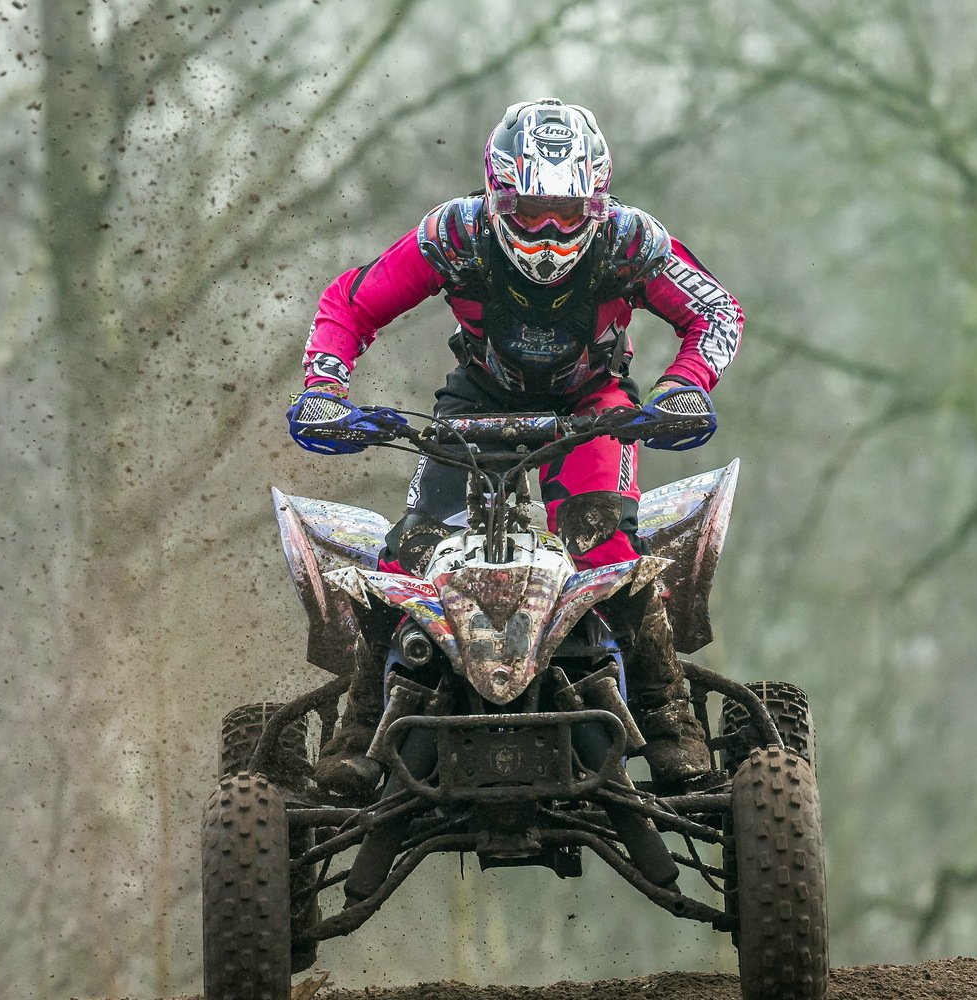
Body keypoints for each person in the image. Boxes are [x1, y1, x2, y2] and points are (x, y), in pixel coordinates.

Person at [289, 98, 744, 798]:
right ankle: (361, 726)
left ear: (596, 202)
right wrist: (324, 386)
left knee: (606, 544)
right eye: (530, 211)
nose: (549, 230)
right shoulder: (455, 236)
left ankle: (668, 719)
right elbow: (350, 304)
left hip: (591, 407)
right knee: (409, 547)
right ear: (498, 195)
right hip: (478, 402)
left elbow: (715, 309)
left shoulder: (630, 242)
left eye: (566, 213)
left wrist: (684, 385)